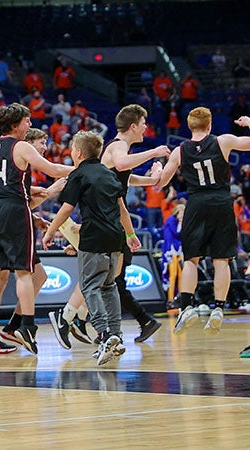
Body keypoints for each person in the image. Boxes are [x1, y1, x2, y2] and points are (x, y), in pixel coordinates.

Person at [47, 104, 169, 349]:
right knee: (101, 278)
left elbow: (124, 179)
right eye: (144, 123)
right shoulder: (117, 147)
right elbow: (122, 166)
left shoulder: (118, 152)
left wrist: (152, 180)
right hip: (101, 220)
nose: (147, 127)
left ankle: (79, 318)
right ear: (133, 125)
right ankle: (72, 317)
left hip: (111, 219)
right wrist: (154, 152)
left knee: (107, 278)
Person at [0, 103, 72, 356]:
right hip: (14, 209)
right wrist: (87, 167)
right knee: (24, 272)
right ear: (16, 124)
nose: (30, 125)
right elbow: (52, 170)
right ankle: (26, 326)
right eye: (27, 121)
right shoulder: (21, 146)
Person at [43, 130, 141, 365]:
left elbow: (67, 208)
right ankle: (116, 334)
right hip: (116, 237)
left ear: (77, 152)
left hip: (93, 237)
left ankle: (104, 334)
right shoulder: (110, 175)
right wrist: (131, 235)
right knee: (109, 286)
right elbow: (122, 210)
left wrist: (49, 231)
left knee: (90, 287)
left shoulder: (79, 174)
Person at [158, 110, 250, 336]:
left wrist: (158, 169)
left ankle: (187, 306)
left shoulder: (180, 151)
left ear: (190, 127)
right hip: (221, 202)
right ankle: (218, 308)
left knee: (191, 259)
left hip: (196, 203)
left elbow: (161, 182)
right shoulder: (224, 141)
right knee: (222, 259)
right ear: (209, 125)